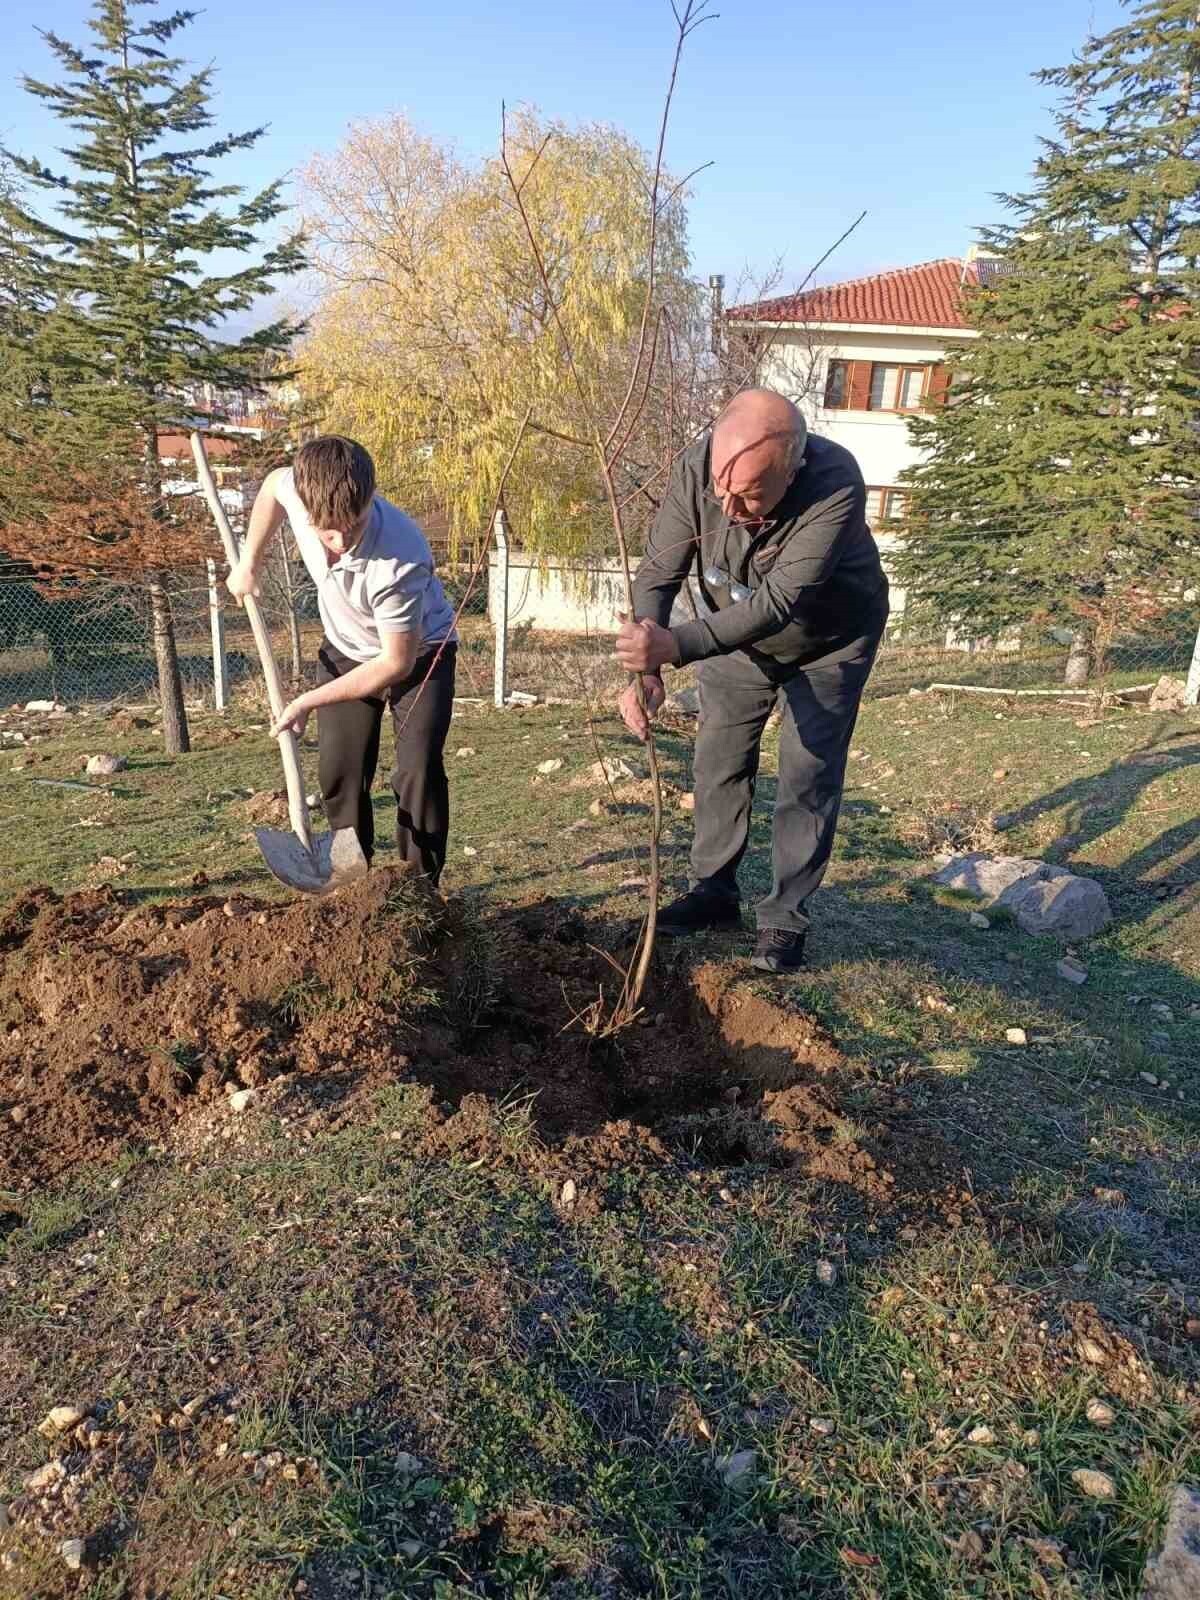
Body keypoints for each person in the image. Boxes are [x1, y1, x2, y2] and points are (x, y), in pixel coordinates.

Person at [614, 388, 888, 973]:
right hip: (734, 640)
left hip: (831, 642)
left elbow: (779, 602)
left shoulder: (836, 482)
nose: (730, 507)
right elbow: (659, 570)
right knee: (719, 761)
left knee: (807, 772)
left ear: (794, 467)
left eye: (750, 495)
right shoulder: (700, 466)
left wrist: (676, 645)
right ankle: (712, 893)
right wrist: (647, 668)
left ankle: (785, 917)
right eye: (722, 490)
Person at [228, 434, 458, 883]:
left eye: (354, 524)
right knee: (340, 770)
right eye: (327, 530)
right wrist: (250, 561)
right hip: (347, 646)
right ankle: (352, 880)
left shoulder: (400, 558)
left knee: (417, 770)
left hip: (420, 651)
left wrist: (306, 701)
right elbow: (274, 486)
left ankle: (418, 888)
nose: (340, 540)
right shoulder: (300, 493)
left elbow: (394, 663)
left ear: (371, 497)